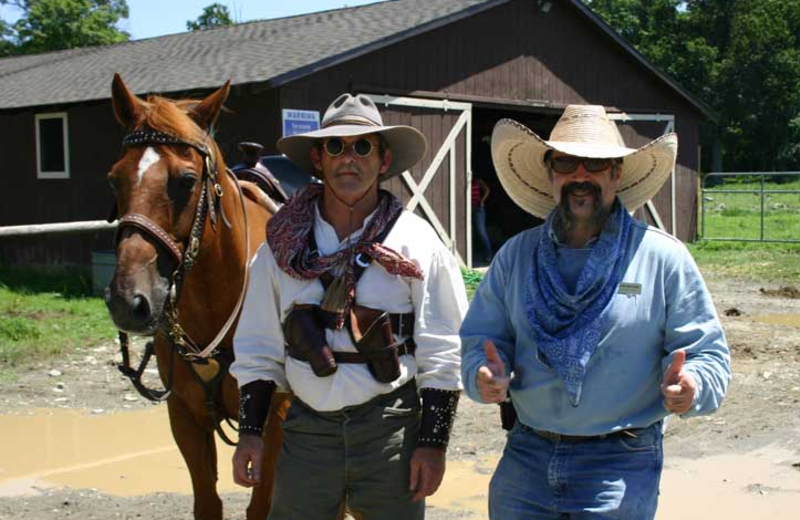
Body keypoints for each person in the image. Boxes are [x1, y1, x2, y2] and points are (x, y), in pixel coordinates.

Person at [460, 105, 731, 519]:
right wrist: (482, 375)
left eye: (597, 163)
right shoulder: (515, 256)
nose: (580, 175)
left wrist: (691, 385)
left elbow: (707, 354)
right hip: (526, 457)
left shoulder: (661, 257)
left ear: (616, 174)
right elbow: (482, 341)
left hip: (620, 461)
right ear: (550, 172)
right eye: (565, 162)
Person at [231, 93, 468, 520]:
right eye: (336, 146)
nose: (349, 158)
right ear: (318, 158)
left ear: (383, 159)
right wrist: (250, 434)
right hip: (306, 433)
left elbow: (444, 350)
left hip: (391, 429)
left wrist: (432, 444)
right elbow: (258, 348)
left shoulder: (417, 243)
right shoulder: (280, 247)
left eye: (363, 146)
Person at [471, 175, 493, 263]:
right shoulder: (463, 178)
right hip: (467, 208)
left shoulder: (477, 180)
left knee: (481, 231)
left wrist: (482, 201)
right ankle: (469, 256)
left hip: (477, 208)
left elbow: (487, 190)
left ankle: (488, 255)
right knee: (470, 232)